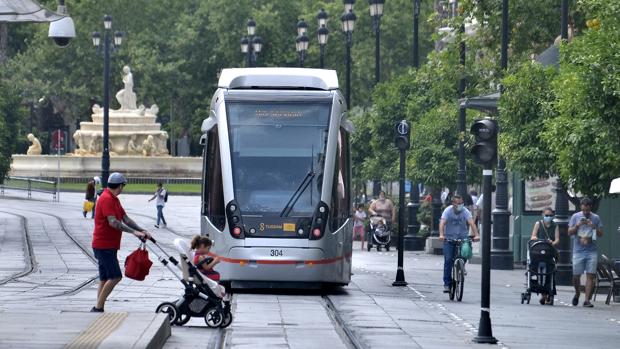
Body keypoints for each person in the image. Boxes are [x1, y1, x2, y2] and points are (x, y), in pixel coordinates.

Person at [91, 172, 151, 312]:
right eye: (123, 186)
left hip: (108, 245)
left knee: (104, 278)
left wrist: (142, 230)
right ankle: (98, 306)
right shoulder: (106, 199)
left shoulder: (114, 199)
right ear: (120, 186)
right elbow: (113, 222)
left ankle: (99, 307)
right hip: (103, 245)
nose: (123, 189)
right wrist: (134, 232)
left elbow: (125, 219)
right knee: (116, 276)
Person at [439, 194, 480, 293]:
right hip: (449, 238)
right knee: (448, 260)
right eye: (458, 203)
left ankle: (461, 266)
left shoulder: (465, 211)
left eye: (462, 203)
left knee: (466, 251)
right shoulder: (448, 211)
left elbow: (471, 223)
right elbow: (442, 223)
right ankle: (447, 284)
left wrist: (476, 235)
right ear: (453, 204)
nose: (460, 205)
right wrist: (441, 235)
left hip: (462, 237)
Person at [568, 197, 603, 307]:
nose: (586, 213)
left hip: (591, 251)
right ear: (581, 207)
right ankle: (577, 293)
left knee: (590, 276)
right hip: (578, 250)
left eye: (587, 210)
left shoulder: (596, 218)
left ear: (590, 207)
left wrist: (593, 226)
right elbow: (569, 232)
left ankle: (587, 300)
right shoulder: (575, 216)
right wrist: (577, 225)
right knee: (576, 276)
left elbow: (601, 233)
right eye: (584, 210)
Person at [530, 207, 560, 304]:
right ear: (543, 215)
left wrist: (552, 242)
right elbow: (533, 236)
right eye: (547, 215)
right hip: (538, 250)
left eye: (551, 215)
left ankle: (546, 294)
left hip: (549, 251)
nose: (548, 217)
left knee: (550, 270)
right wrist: (537, 239)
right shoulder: (538, 224)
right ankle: (543, 294)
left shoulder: (555, 226)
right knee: (535, 268)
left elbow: (557, 240)